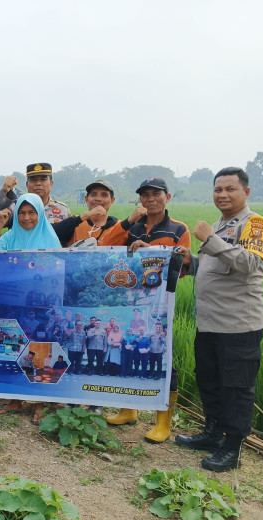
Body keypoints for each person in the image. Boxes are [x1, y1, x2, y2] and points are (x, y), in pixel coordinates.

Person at [175, 167, 263, 471]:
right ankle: (211, 434)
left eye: (230, 189)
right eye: (218, 189)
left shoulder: (255, 224)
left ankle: (232, 448)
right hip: (209, 324)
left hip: (238, 326)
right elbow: (215, 268)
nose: (222, 194)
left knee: (236, 388)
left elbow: (248, 264)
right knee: (210, 381)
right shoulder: (221, 225)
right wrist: (192, 260)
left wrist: (209, 240)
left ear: (245, 192)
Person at [106, 177, 191, 442]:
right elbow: (106, 245)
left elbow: (184, 264)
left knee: (162, 356)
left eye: (156, 194)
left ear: (168, 197)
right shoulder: (134, 228)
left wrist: (151, 250)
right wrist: (128, 222)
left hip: (161, 304)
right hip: (132, 300)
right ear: (139, 200)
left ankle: (162, 423)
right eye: (145, 195)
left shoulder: (178, 228)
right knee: (129, 355)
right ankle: (128, 409)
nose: (150, 199)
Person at [0, 194, 61, 422]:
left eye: (31, 212)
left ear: (39, 213)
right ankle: (15, 400)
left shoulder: (50, 238)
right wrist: (0, 225)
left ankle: (40, 403)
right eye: (22, 213)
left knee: (39, 352)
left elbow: (57, 275)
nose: (27, 218)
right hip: (15, 309)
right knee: (15, 349)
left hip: (41, 313)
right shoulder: (10, 237)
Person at [0, 163, 71, 228]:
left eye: (43, 179)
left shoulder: (62, 209)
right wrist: (4, 191)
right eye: (33, 180)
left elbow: (68, 242)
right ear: (27, 184)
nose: (38, 183)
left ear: (51, 183)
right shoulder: (16, 207)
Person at [52, 180, 128, 246]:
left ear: (112, 200)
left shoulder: (121, 227)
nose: (98, 199)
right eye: (94, 194)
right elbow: (51, 233)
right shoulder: (75, 224)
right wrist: (87, 215)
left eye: (104, 195)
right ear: (86, 199)